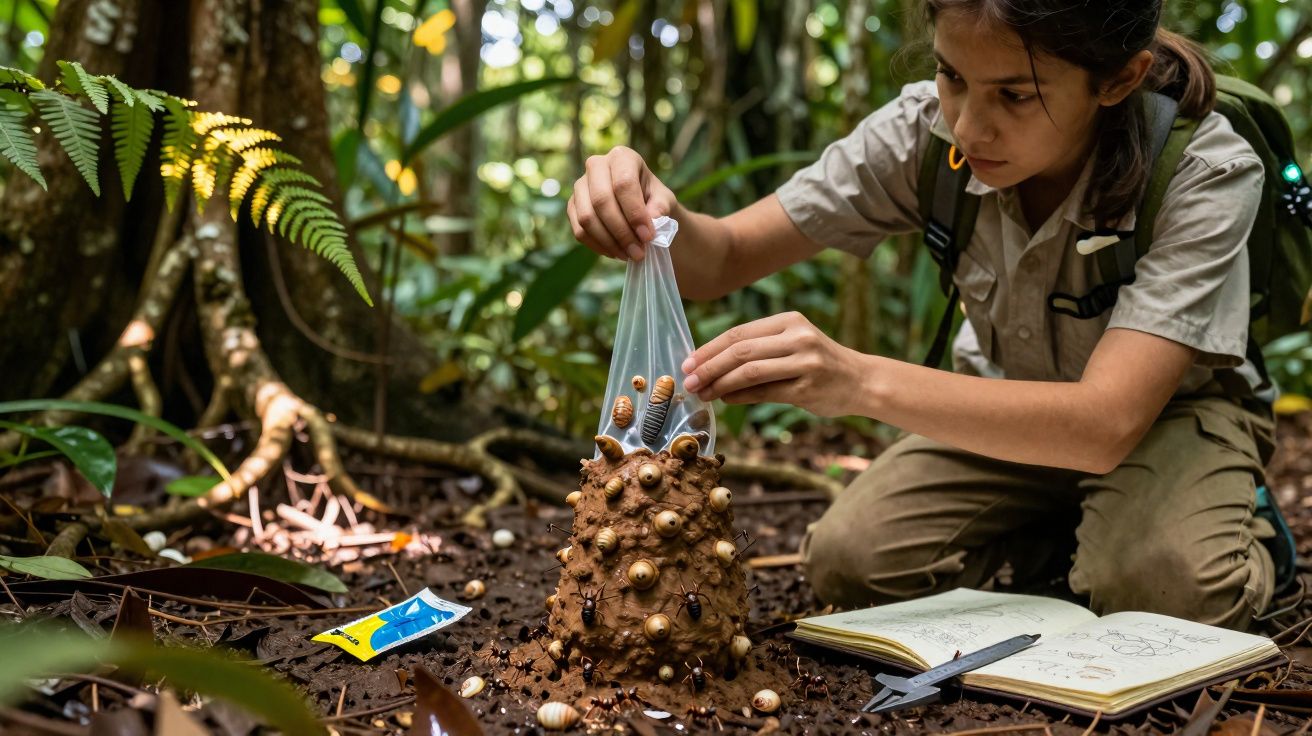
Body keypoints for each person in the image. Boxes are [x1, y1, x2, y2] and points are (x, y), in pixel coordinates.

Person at [567, 0, 1280, 631]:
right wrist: (647, 205)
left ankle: (1226, 529)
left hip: (1165, 421)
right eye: (952, 77)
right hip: (1004, 407)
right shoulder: (920, 133)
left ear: (1119, 80)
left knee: (1166, 592)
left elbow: (1105, 424)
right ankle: (1066, 532)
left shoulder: (1202, 172)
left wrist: (855, 380)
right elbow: (720, 259)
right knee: (852, 561)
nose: (969, 125)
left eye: (1016, 95)